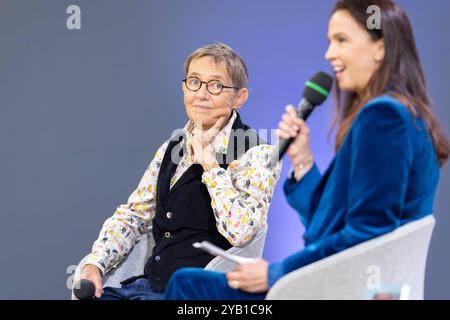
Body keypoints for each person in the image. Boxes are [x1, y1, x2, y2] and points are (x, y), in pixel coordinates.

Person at [163, 0, 450, 300]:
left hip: (347, 289)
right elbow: (328, 227)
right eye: (329, 42)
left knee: (190, 285)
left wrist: (274, 273)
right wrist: (303, 162)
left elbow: (367, 234)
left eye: (342, 40)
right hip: (348, 283)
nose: (329, 53)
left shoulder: (383, 118)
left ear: (380, 48)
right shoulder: (406, 115)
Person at [76, 43, 282, 300]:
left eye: (216, 85)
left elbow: (241, 233)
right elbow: (133, 216)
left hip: (199, 294)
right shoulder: (172, 146)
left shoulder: (258, 152)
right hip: (147, 287)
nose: (202, 94)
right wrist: (95, 265)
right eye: (194, 82)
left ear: (239, 97)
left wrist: (210, 166)